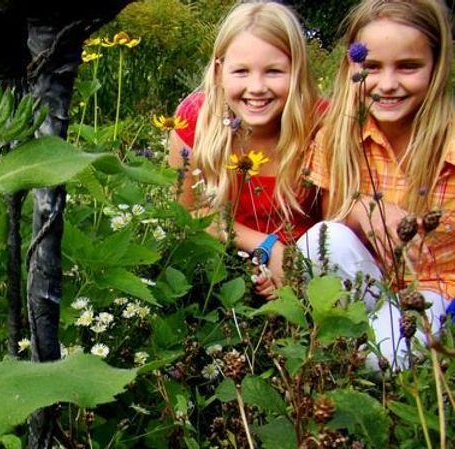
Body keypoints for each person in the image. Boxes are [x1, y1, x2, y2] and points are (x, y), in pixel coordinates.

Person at [300, 0, 455, 368]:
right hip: (372, 276)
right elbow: (331, 221)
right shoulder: (339, 134)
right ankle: (345, 339)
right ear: (352, 67)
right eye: (371, 67)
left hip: (437, 289)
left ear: (437, 66)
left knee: (381, 357)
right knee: (317, 241)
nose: (387, 84)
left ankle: (367, 356)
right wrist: (364, 212)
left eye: (408, 66)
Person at [168, 1, 323, 299]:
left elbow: (337, 225)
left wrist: (293, 266)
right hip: (221, 263)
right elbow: (186, 213)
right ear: (219, 71)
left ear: (297, 71)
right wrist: (266, 245)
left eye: (274, 71)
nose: (257, 87)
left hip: (307, 269)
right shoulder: (196, 120)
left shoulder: (320, 125)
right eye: (241, 71)